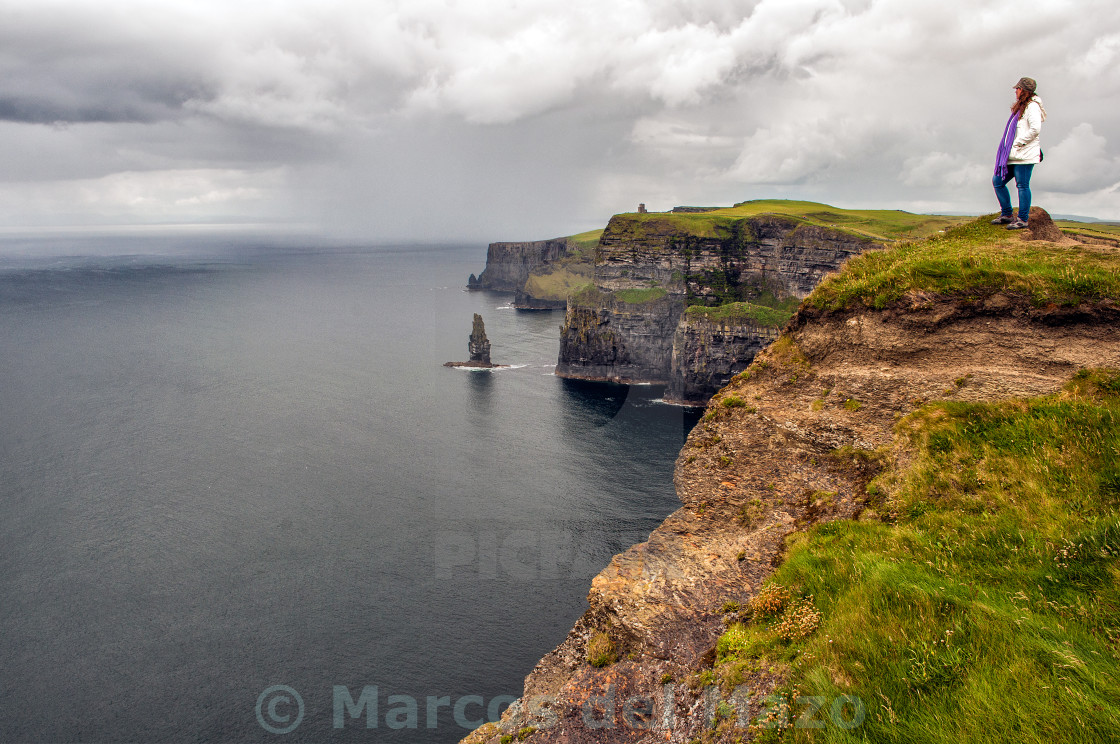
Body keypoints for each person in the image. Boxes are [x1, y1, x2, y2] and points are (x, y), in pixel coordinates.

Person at [992, 77, 1046, 230]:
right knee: (997, 181)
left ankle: (1022, 219)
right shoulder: (1023, 107)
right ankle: (1007, 214)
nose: (1015, 91)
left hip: (1024, 154)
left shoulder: (1032, 107)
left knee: (1022, 185)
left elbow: (1035, 129)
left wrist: (1018, 143)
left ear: (1024, 91)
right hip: (1014, 154)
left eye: (1018, 88)